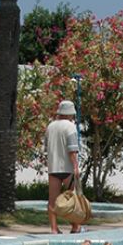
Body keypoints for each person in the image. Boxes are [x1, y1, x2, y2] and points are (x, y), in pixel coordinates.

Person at [45, 99, 81, 235]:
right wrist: (76, 167)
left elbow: (46, 146)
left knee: (52, 200)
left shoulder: (50, 126)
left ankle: (54, 229)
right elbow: (72, 150)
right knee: (73, 199)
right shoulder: (70, 127)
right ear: (70, 113)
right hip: (67, 168)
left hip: (53, 168)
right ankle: (75, 227)